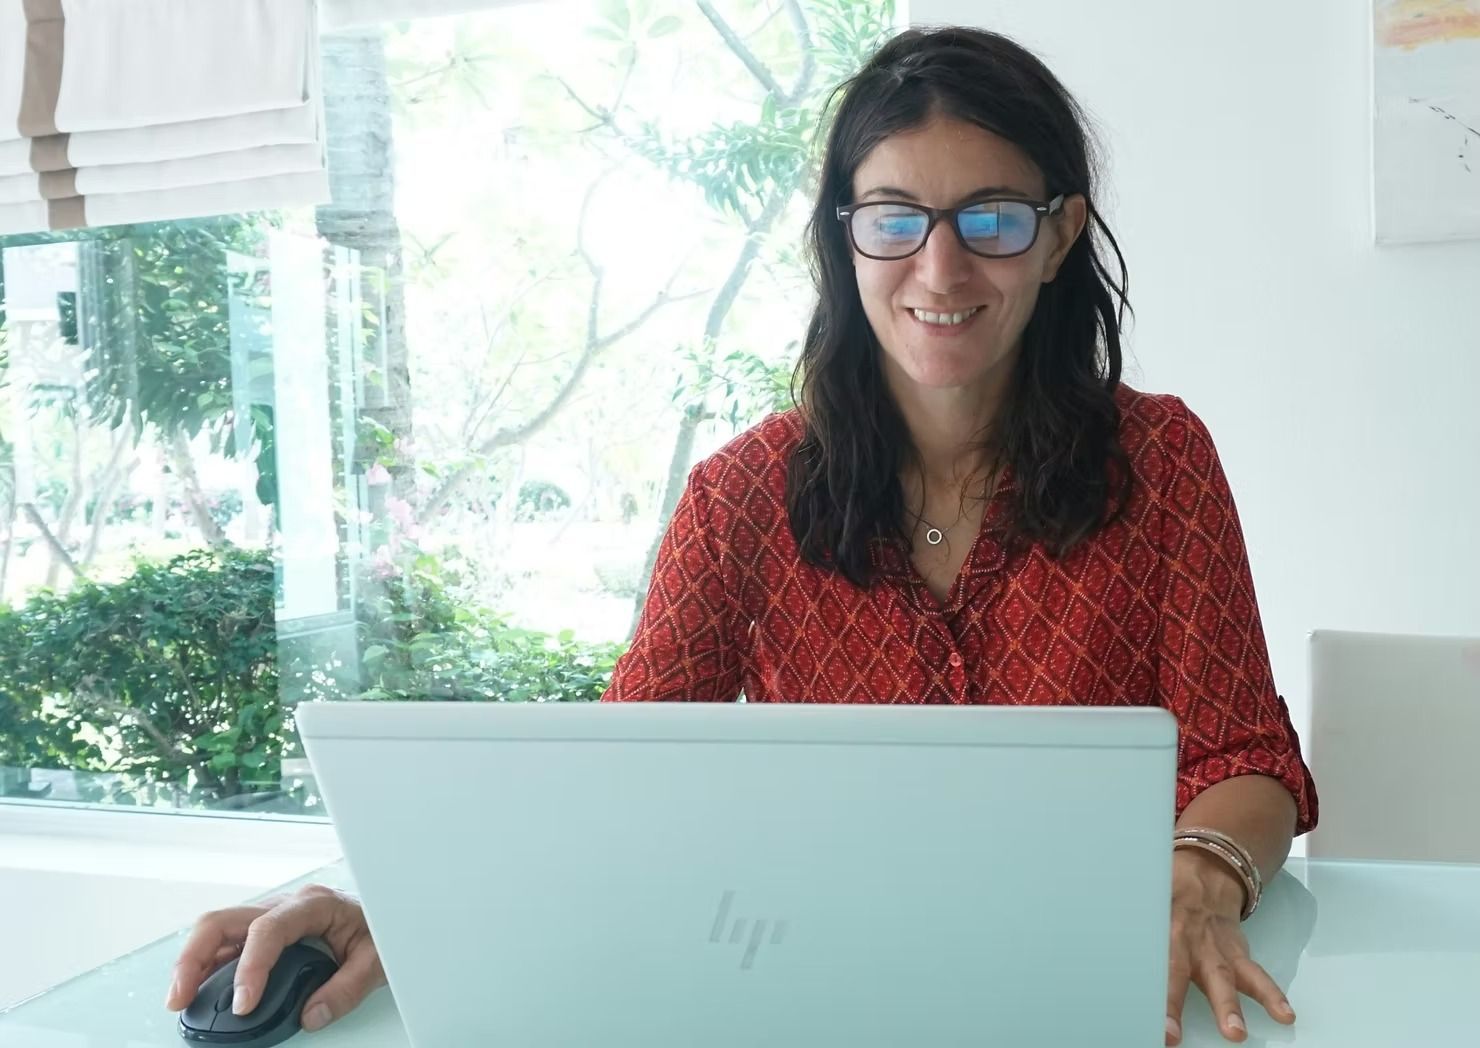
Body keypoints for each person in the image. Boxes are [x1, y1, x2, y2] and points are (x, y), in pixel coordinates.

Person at [166, 26, 1317, 1047]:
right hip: (816, 996)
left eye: (993, 219)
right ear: (842, 238)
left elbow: (1244, 757)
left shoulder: (1159, 462)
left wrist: (1201, 871)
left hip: (1085, 1001)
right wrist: (385, 904)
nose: (941, 266)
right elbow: (618, 781)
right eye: (894, 219)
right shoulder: (741, 496)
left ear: (1058, 237)